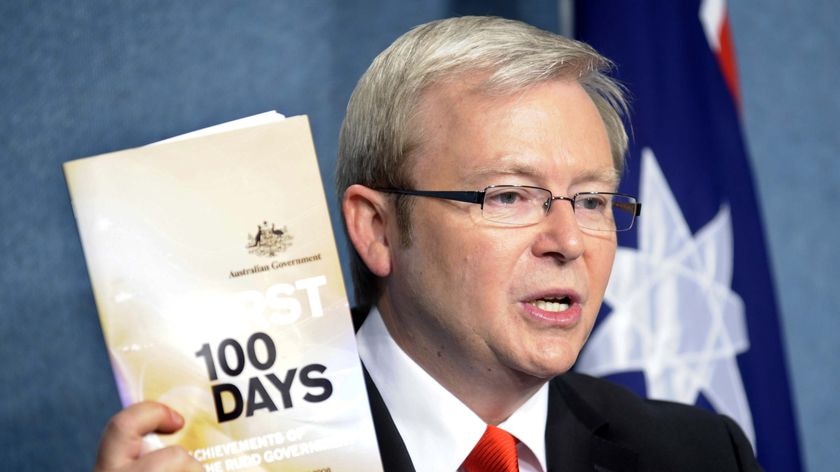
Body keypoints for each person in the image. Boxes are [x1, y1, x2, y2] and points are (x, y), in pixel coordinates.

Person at [94, 16, 762, 472]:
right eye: (509, 196)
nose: (568, 241)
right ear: (377, 229)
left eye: (591, 200)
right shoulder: (231, 445)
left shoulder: (699, 452)